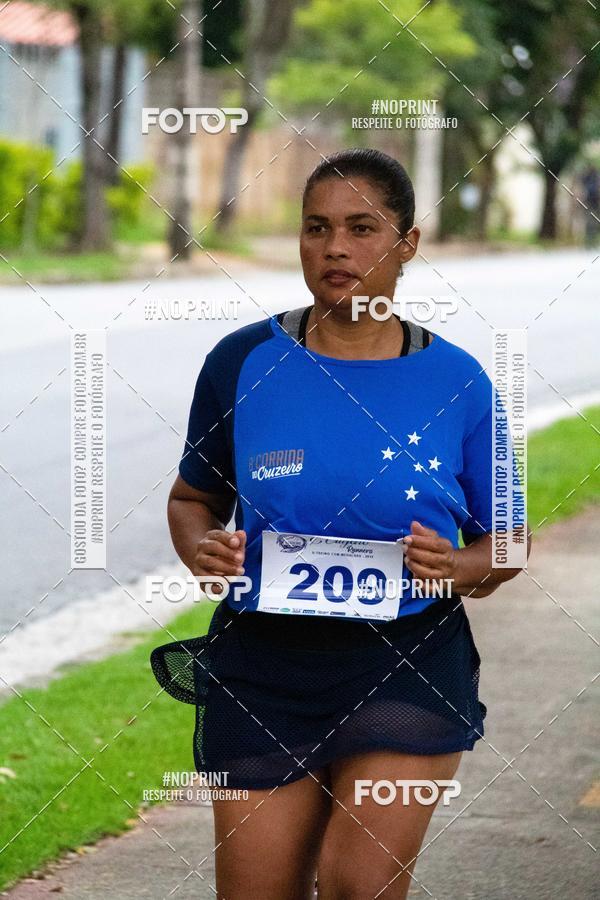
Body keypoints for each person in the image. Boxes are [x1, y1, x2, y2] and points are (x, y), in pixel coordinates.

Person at [151, 148, 531, 899]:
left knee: (361, 885)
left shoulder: (456, 380)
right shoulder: (241, 362)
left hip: (405, 664)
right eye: (316, 228)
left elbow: (508, 539)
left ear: (408, 243)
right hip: (263, 666)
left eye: (363, 228)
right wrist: (202, 548)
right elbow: (191, 499)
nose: (336, 248)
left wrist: (461, 568)